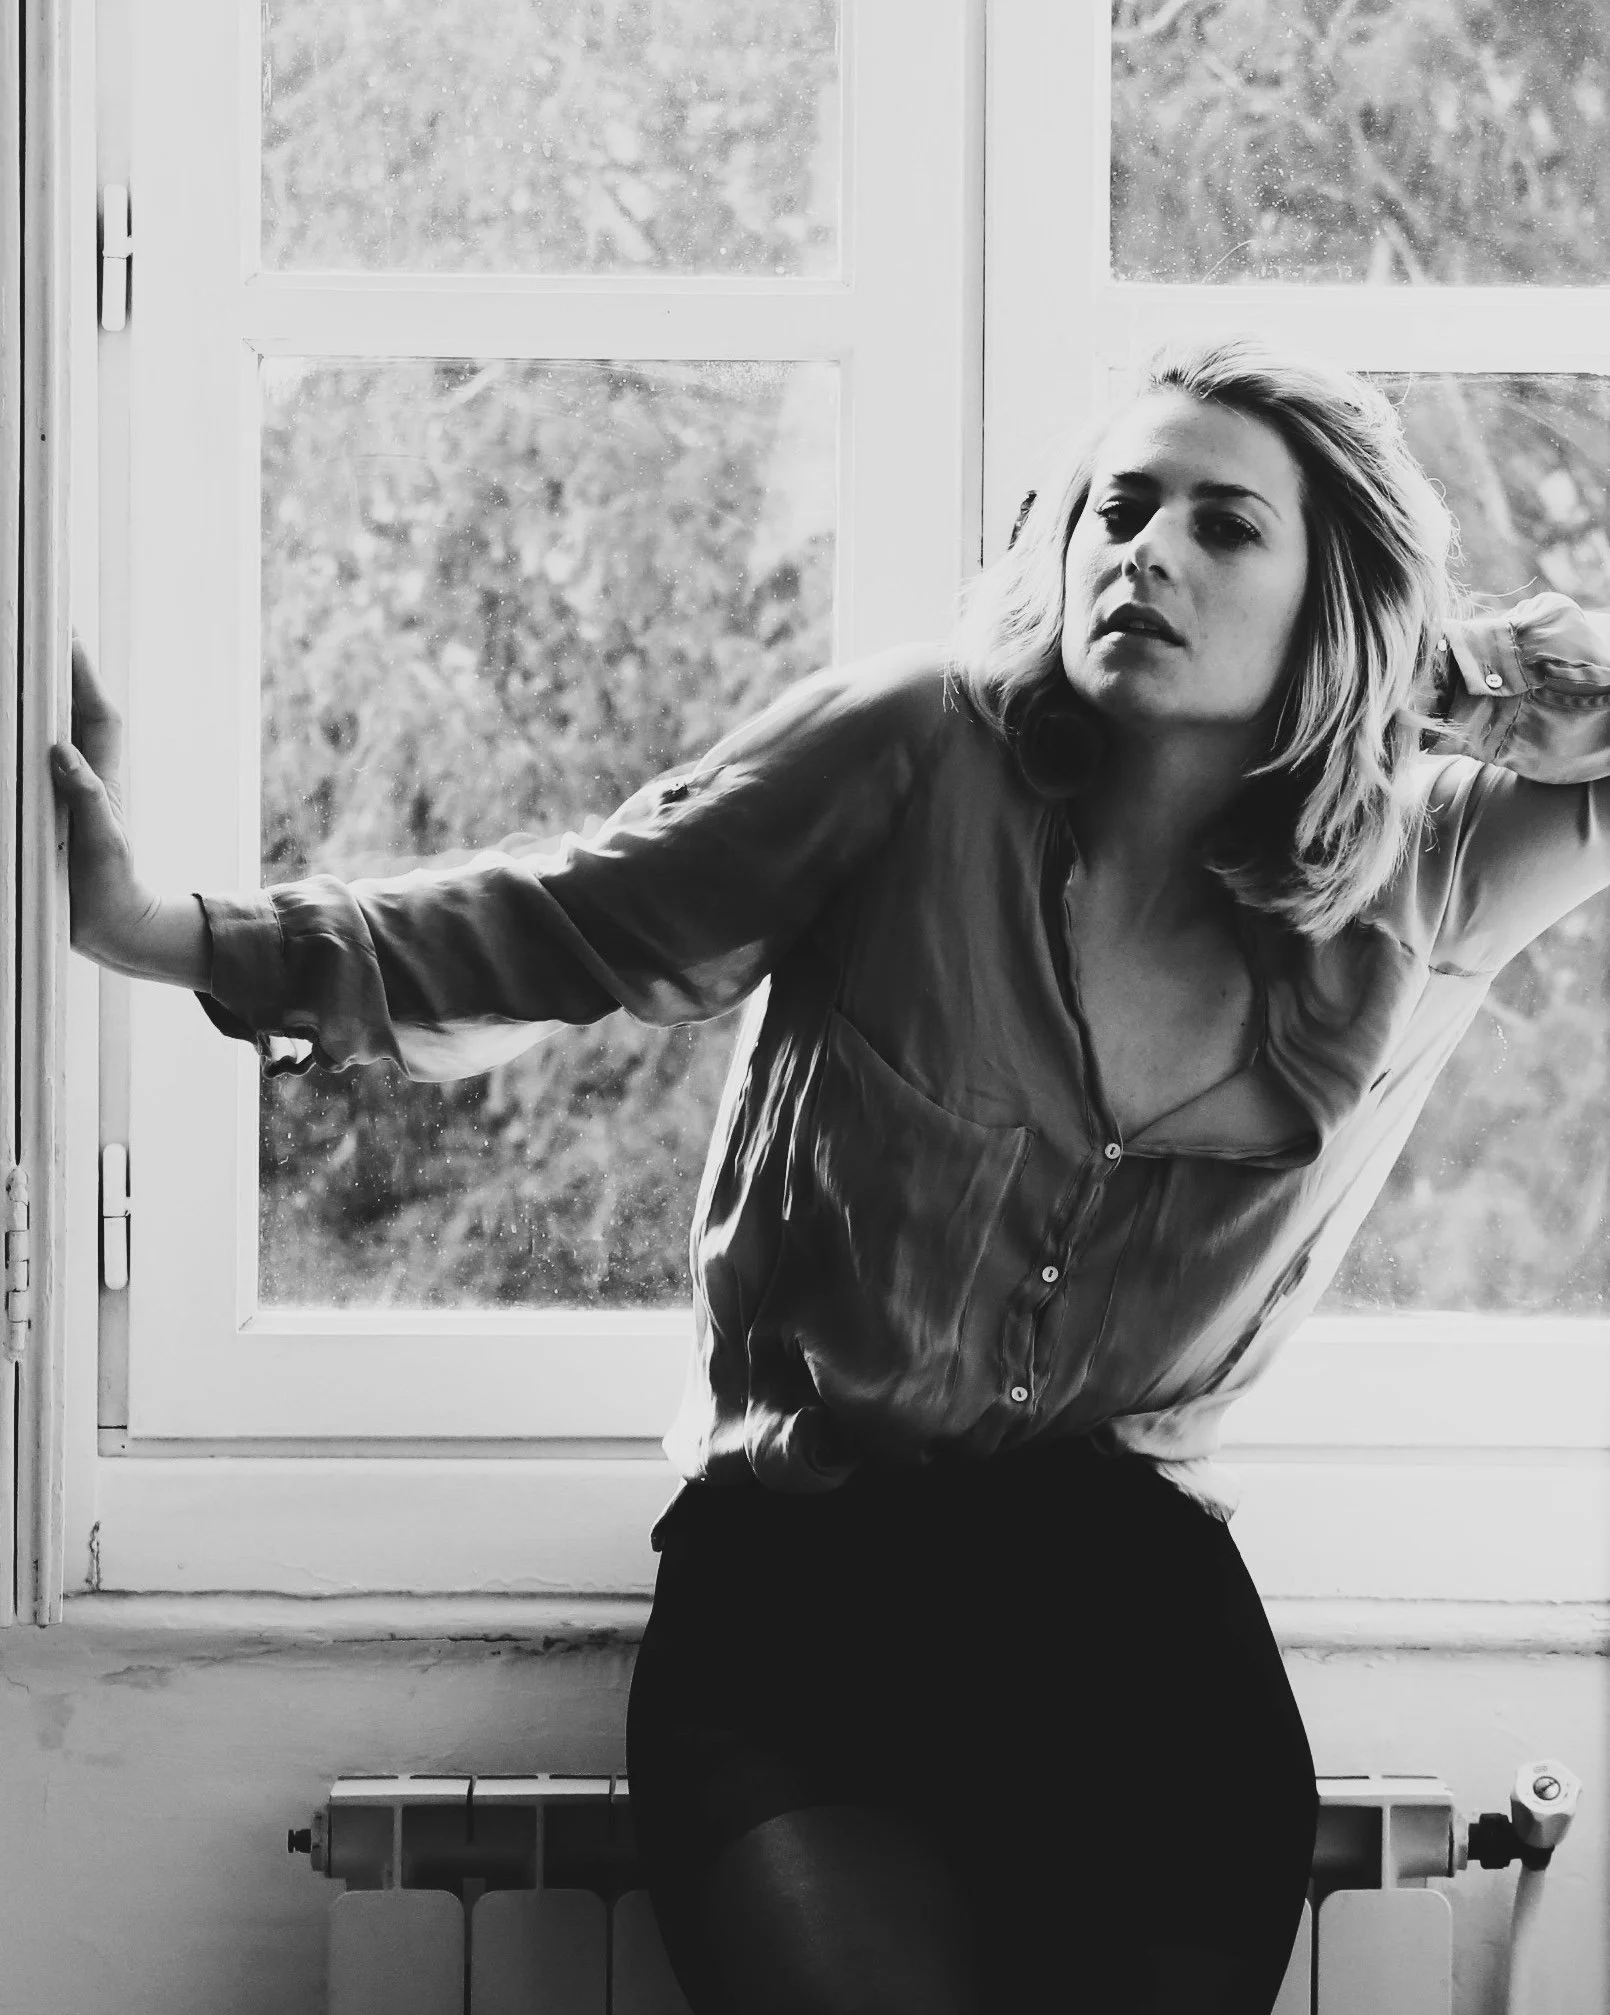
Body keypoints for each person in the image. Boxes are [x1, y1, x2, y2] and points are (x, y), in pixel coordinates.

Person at [52, 334, 1610, 2014]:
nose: (1144, 551)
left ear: (1335, 600)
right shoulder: (913, 748)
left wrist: (1445, 674)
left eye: (1222, 526)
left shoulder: (1422, 873)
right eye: (1114, 509)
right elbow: (565, 918)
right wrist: (164, 930)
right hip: (799, 1592)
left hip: (1132, 1624)